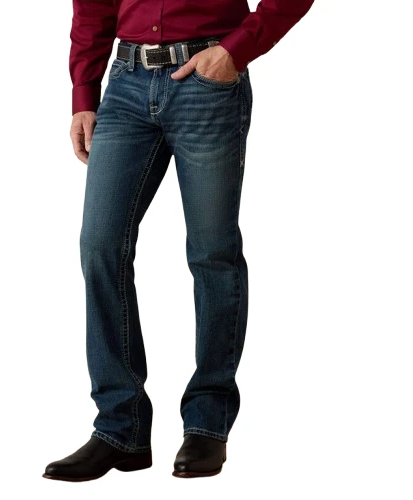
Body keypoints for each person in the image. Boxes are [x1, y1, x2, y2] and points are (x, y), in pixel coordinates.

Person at [43, 0, 314, 481]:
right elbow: (91, 6)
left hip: (208, 79)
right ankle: (120, 427)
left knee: (212, 253)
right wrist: (83, 91)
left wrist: (234, 51)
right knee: (100, 246)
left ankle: (208, 424)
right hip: (126, 83)